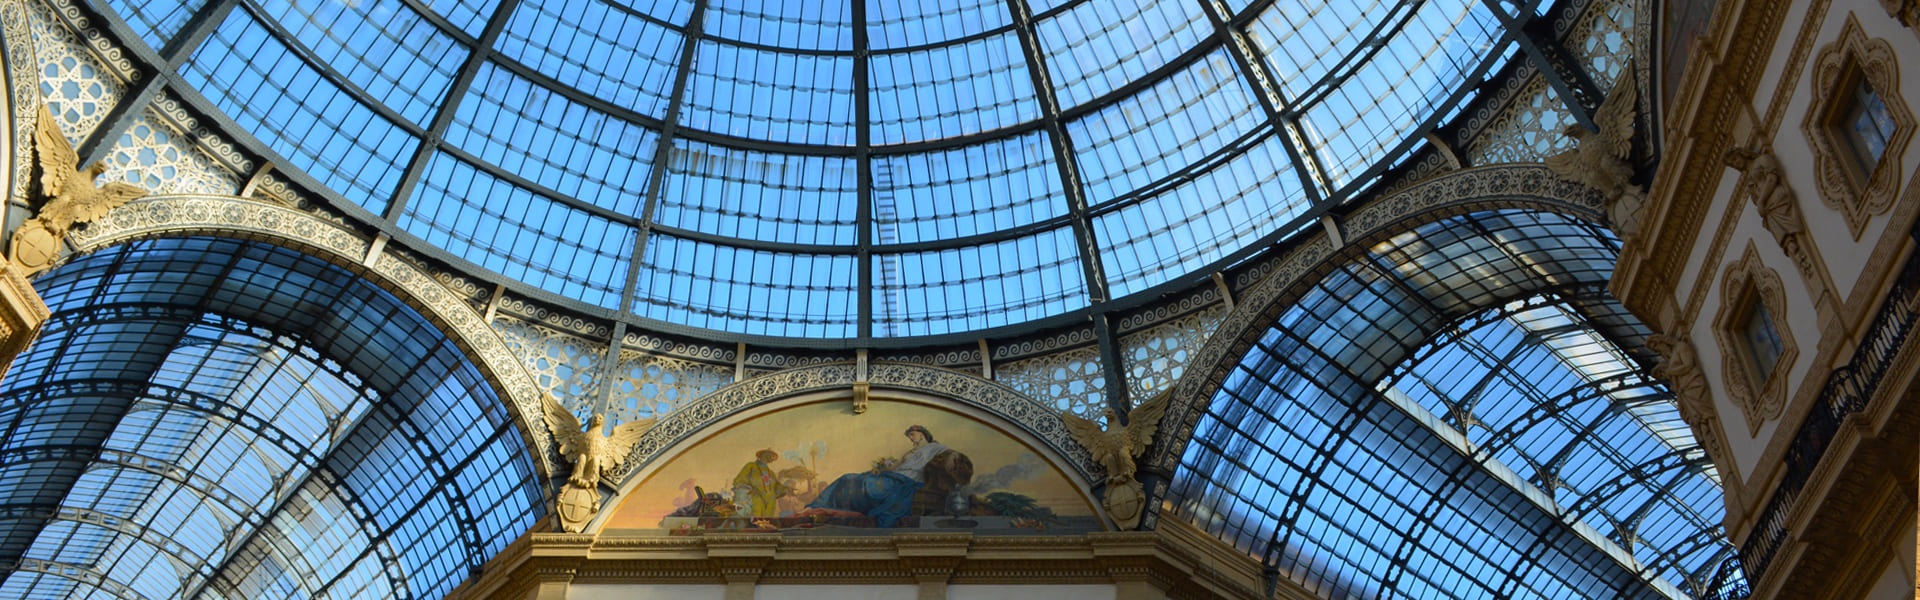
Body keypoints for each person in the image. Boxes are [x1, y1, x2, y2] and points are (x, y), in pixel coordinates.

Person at [798, 425, 949, 527]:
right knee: (848, 478)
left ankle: (830, 508)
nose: (911, 438)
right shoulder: (909, 453)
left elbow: (952, 456)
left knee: (865, 483)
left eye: (912, 434)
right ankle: (818, 507)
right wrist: (880, 469)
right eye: (909, 435)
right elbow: (894, 467)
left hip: (907, 481)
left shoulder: (934, 448)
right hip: (893, 477)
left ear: (922, 434)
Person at [731, 449, 790, 517]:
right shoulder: (751, 466)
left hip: (770, 501)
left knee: (767, 522)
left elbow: (777, 487)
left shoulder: (771, 473)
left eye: (772, 456)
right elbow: (740, 480)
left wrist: (786, 489)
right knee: (756, 520)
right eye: (769, 454)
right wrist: (750, 489)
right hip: (755, 498)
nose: (771, 457)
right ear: (762, 455)